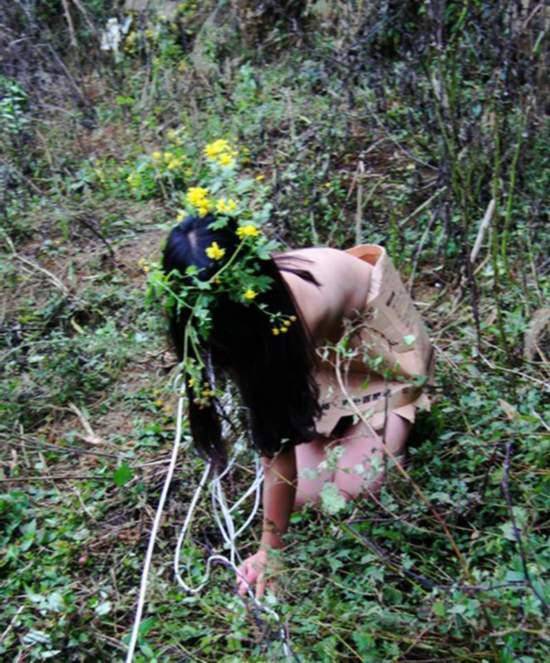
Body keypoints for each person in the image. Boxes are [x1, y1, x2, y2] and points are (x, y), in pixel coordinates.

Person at [161, 214, 433, 598]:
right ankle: (352, 431)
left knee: (354, 484)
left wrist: (269, 551)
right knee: (308, 492)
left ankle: (384, 431)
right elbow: (277, 444)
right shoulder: (251, 314)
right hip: (319, 360)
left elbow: (276, 448)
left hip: (378, 352)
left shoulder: (283, 321)